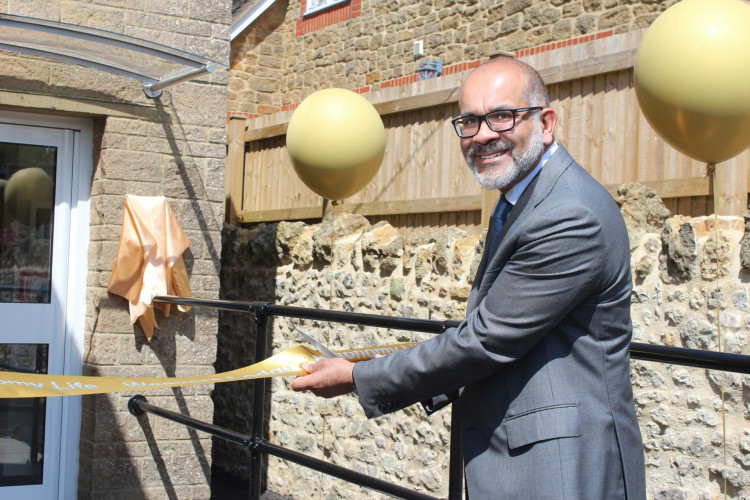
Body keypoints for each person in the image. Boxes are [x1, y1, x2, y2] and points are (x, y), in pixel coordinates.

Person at [292, 58, 646, 499]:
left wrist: (358, 376)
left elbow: (487, 340)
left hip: (563, 468)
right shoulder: (525, 198)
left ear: (547, 122)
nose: (483, 135)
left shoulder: (568, 214)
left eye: (502, 116)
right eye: (471, 121)